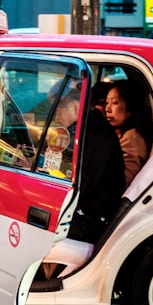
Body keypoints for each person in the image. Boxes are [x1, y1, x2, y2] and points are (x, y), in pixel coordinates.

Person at [53, 84, 124, 244]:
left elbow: (81, 185)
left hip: (90, 219)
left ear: (75, 107)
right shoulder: (89, 129)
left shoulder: (97, 135)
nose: (57, 119)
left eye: (58, 112)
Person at [104, 79, 151, 187]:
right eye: (106, 102)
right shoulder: (119, 133)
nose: (107, 109)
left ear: (131, 107)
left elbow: (122, 181)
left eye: (115, 103)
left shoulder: (132, 138)